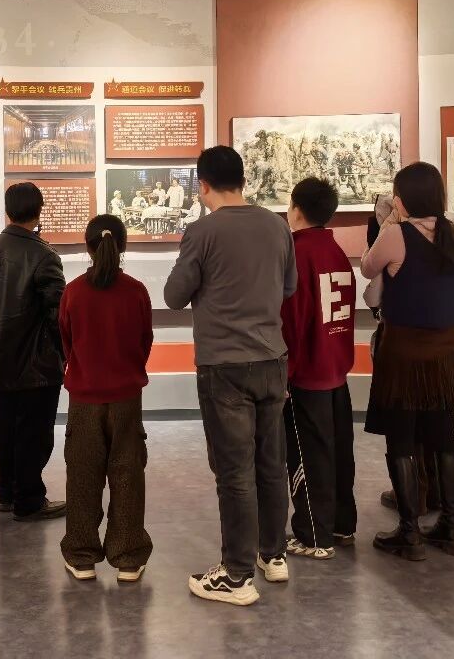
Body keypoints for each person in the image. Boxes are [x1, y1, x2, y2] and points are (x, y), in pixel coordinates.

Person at [165, 146, 297, 607]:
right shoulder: (277, 225)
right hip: (273, 360)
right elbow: (289, 287)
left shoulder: (202, 231)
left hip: (224, 365)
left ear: (203, 186)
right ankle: (272, 554)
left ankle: (237, 575)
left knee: (234, 471)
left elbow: (175, 295)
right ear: (243, 180)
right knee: (270, 463)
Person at [361, 162, 454, 562]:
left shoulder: (397, 234)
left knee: (402, 440)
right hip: (447, 352)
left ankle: (409, 531)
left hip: (404, 354)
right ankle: (451, 526)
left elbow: (368, 267)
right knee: (444, 437)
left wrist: (391, 222)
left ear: (403, 198)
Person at [59, 214, 155, 583]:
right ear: (123, 246)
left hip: (84, 398)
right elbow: (144, 341)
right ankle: (128, 557)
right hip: (127, 396)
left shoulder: (73, 292)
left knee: (82, 475)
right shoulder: (136, 291)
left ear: (88, 248)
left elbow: (67, 342)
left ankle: (81, 555)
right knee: (128, 473)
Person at [0, 182, 68, 521]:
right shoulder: (43, 255)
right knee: (35, 433)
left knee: (8, 428)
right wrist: (65, 352)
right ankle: (29, 499)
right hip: (36, 361)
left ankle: (7, 492)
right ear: (39, 210)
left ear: (8, 210)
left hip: (0, 357)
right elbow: (57, 313)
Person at [281, 177, 358, 559]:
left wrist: (286, 372)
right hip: (336, 370)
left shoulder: (297, 253)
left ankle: (314, 535)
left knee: (308, 455)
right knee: (339, 451)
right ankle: (342, 525)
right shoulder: (335, 250)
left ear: (295, 209)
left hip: (307, 373)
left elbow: (292, 321)